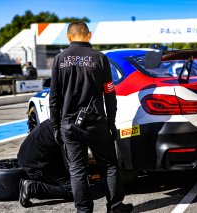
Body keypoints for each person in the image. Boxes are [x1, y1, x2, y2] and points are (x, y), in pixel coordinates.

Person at [49, 21, 133, 213]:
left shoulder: (59, 59)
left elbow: (54, 98)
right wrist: (111, 123)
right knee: (110, 165)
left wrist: (55, 127)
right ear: (89, 35)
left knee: (77, 170)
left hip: (69, 125)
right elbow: (109, 94)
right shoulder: (99, 58)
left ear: (69, 37)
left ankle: (83, 211)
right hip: (96, 123)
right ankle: (115, 207)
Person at [17, 119, 73, 208]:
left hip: (30, 157)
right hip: (35, 164)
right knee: (74, 191)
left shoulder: (58, 120)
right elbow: (71, 164)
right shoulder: (65, 131)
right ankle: (33, 187)